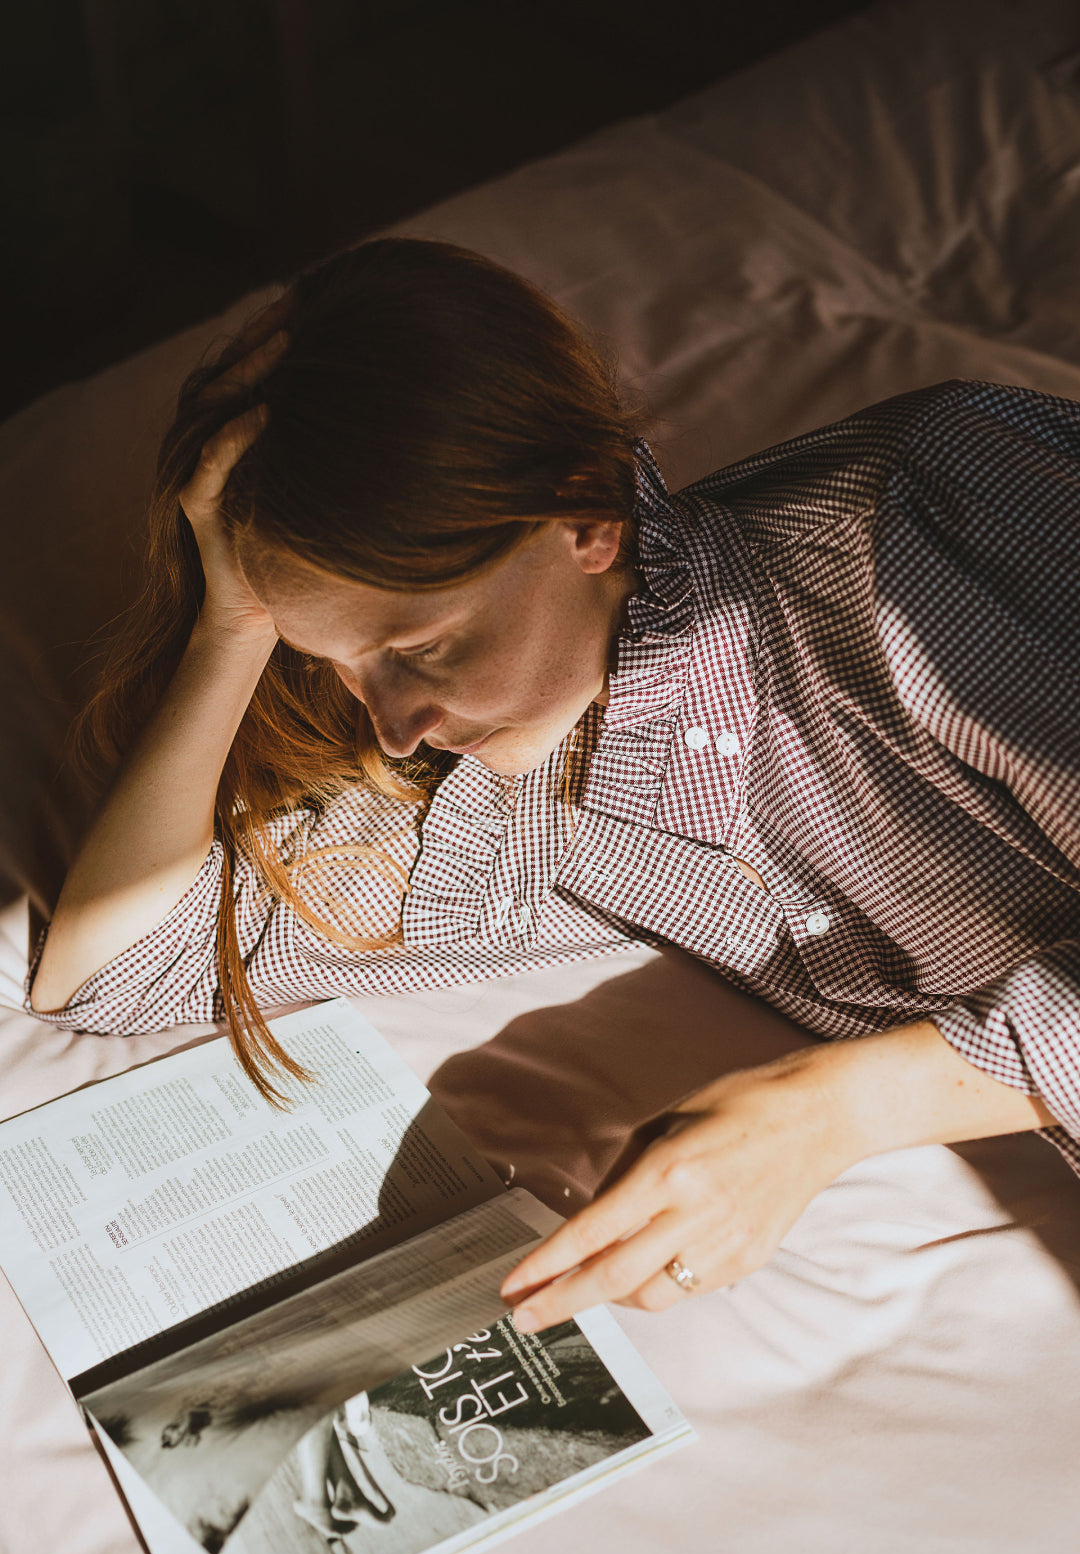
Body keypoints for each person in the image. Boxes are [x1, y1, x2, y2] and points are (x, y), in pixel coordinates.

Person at [26, 237, 1079, 1335]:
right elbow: (114, 974)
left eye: (422, 647)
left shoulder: (926, 524)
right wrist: (236, 622)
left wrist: (833, 1112)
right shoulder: (518, 812)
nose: (393, 730)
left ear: (586, 514)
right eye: (336, 662)